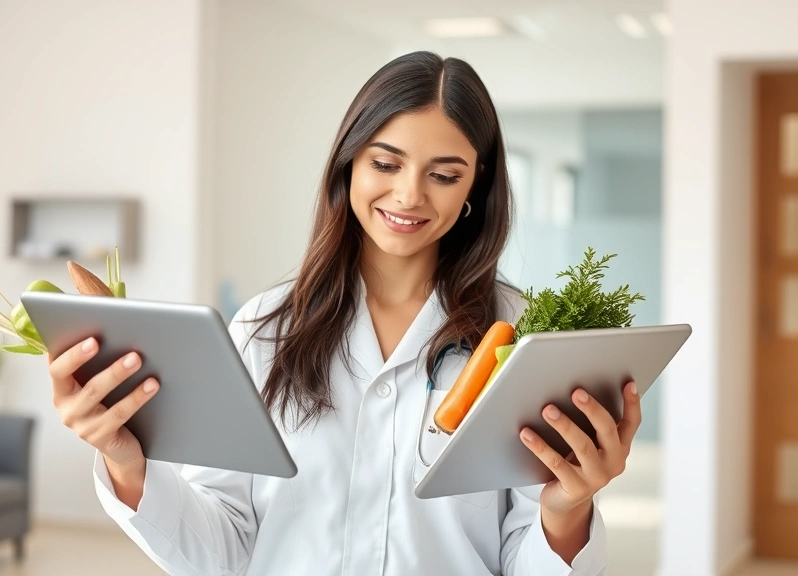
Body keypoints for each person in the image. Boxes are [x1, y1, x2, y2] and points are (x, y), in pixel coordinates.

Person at [47, 51, 641, 575]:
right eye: (386, 164)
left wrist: (566, 509)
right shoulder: (265, 328)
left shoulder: (523, 335)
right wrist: (127, 466)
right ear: (349, 163)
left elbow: (525, 562)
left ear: (474, 189)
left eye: (443, 175)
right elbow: (222, 553)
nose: (410, 195)